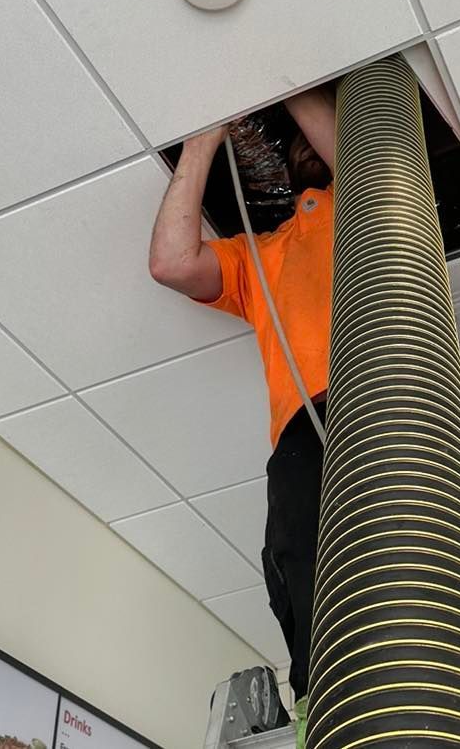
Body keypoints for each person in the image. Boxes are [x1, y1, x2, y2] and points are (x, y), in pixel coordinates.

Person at [148, 87, 338, 736]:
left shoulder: (374, 202)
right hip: (301, 432)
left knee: (401, 557)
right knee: (297, 566)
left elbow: (363, 156)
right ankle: (325, 714)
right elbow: (172, 262)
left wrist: (280, 84)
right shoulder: (264, 252)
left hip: (389, 396)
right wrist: (204, 137)